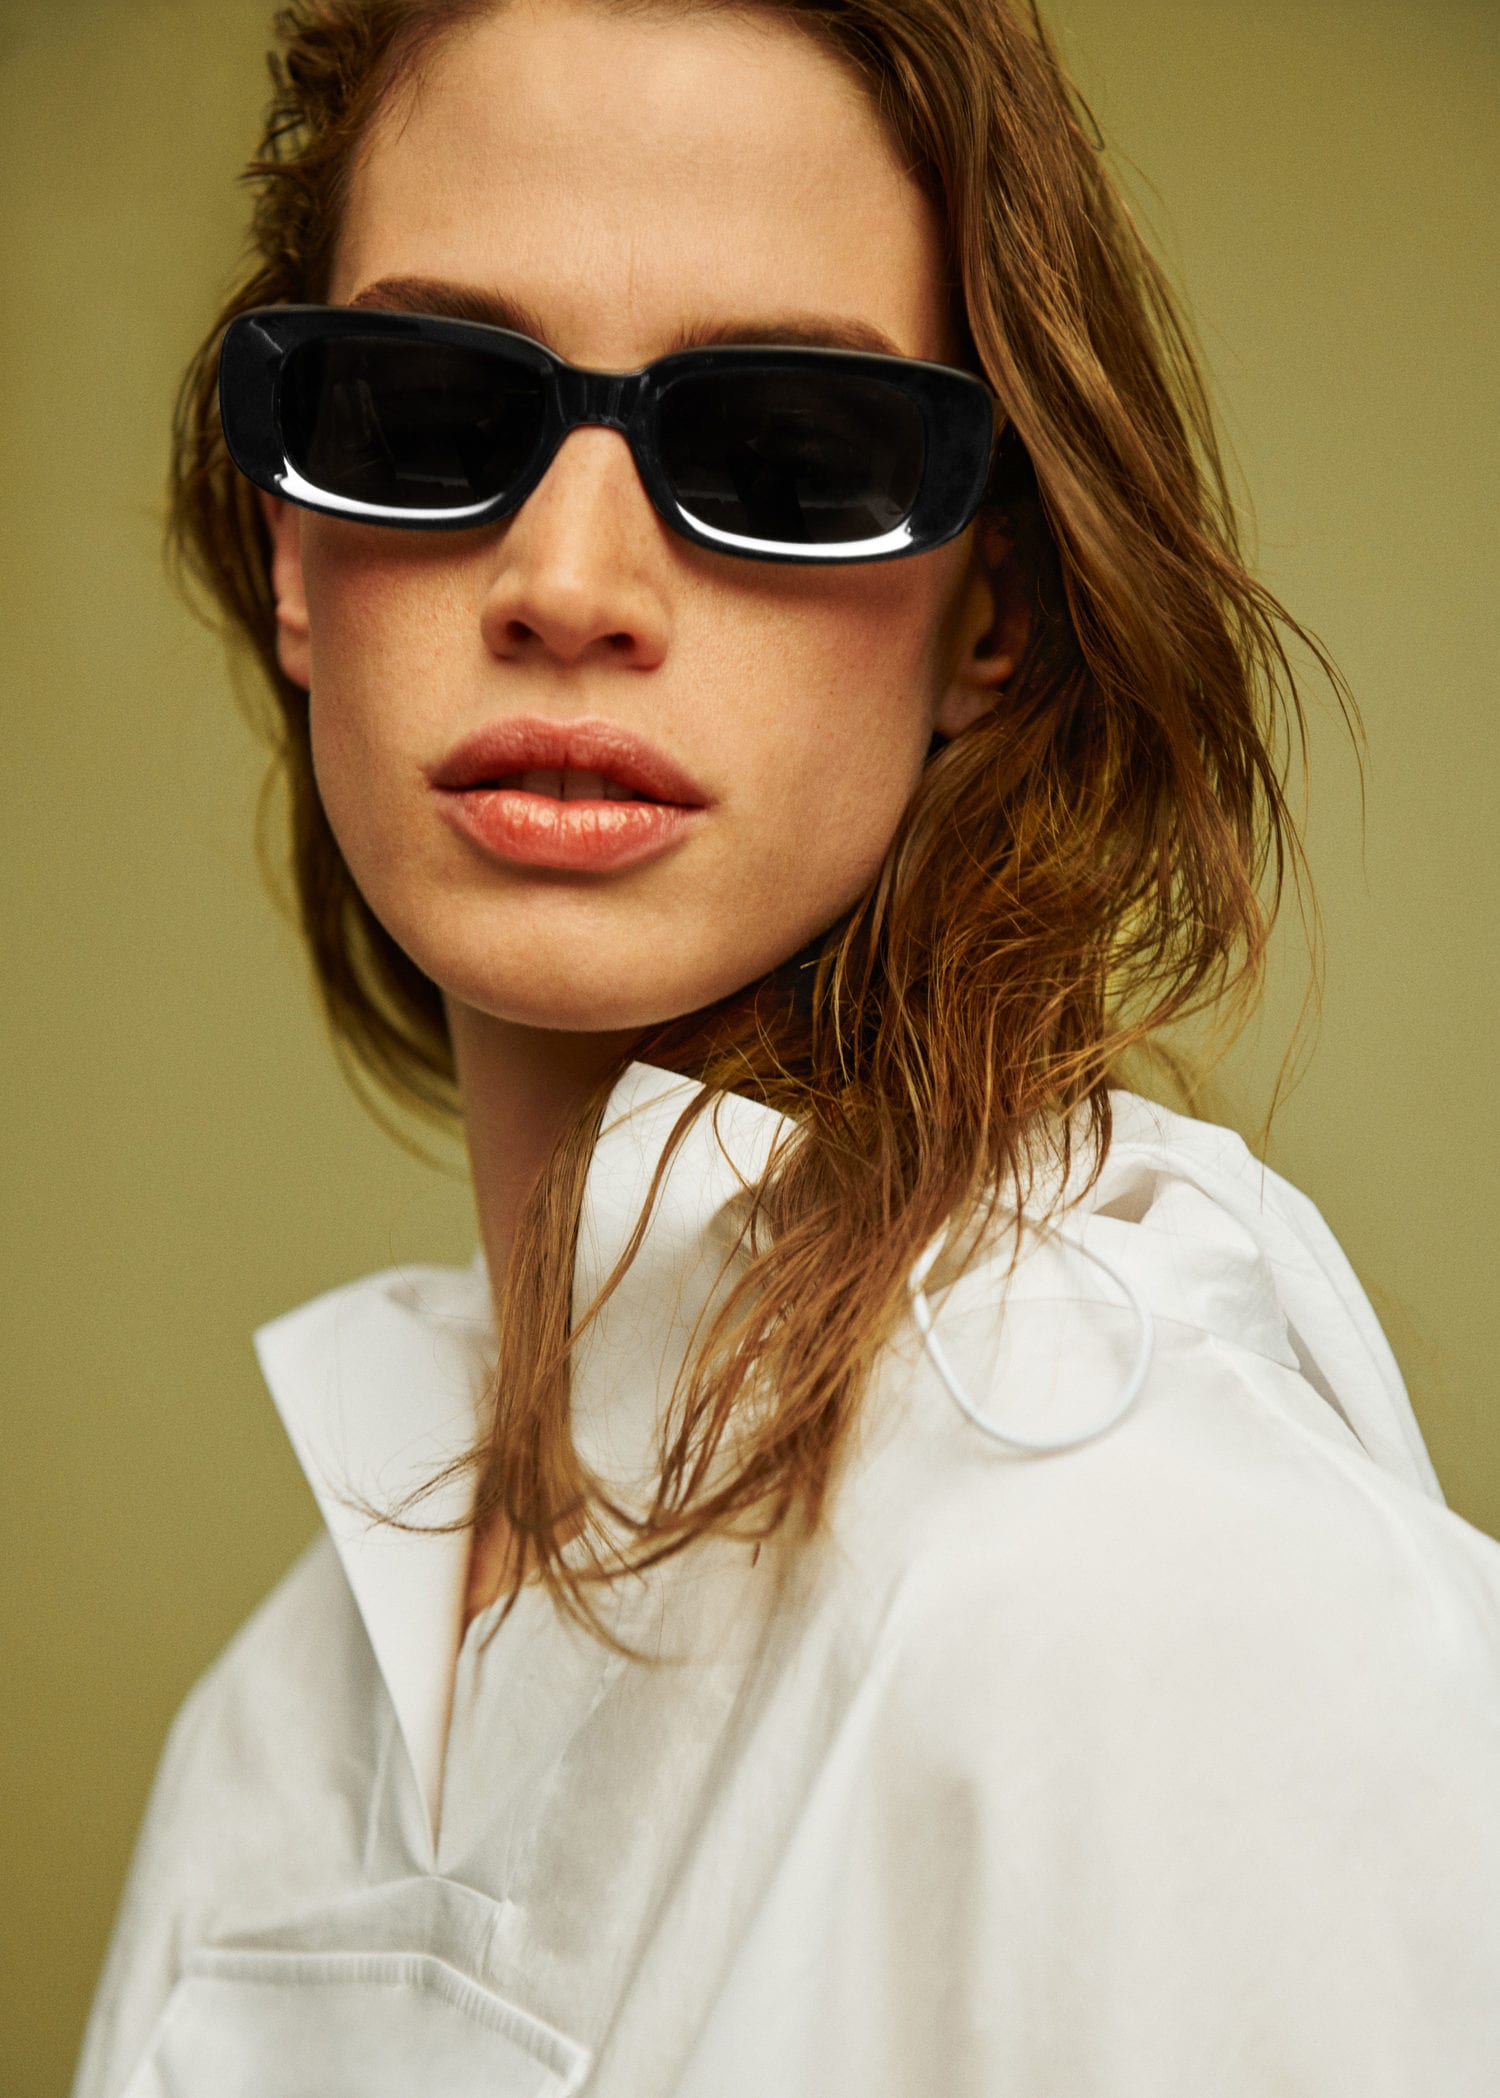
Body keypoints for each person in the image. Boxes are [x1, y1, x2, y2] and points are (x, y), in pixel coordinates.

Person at [72, 0, 1500, 2092]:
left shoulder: (1173, 1588)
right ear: (294, 549)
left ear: (992, 606)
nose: (570, 583)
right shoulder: (284, 1714)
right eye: (424, 412)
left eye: (785, 455)